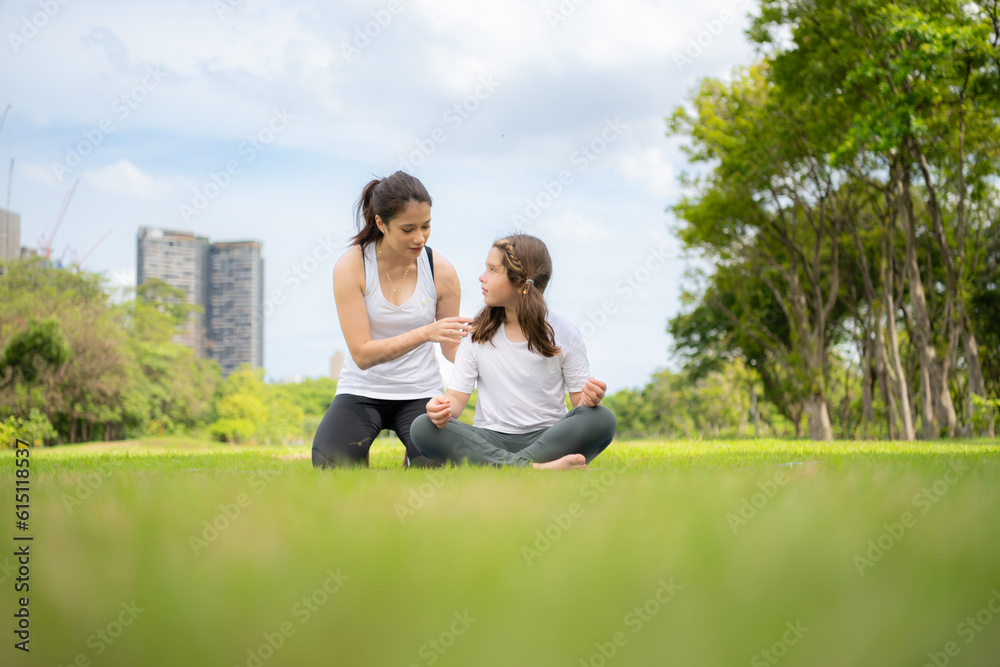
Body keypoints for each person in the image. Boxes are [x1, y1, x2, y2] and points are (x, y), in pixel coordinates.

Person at [410, 234, 616, 470]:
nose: (481, 277)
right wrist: (439, 409)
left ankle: (500, 466)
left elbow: (579, 403)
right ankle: (536, 468)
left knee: (602, 418)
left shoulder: (565, 332)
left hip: (548, 438)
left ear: (520, 283)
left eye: (491, 269)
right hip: (489, 438)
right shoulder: (477, 333)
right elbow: (455, 399)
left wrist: (590, 400)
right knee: (423, 426)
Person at [312, 171, 472, 468]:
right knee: (332, 465)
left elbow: (451, 349)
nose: (420, 237)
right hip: (361, 391)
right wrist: (425, 333)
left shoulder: (442, 271)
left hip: (420, 392)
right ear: (381, 223)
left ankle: (413, 459)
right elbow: (362, 354)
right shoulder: (352, 266)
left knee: (439, 468)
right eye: (408, 229)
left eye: (426, 226)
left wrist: (490, 351)